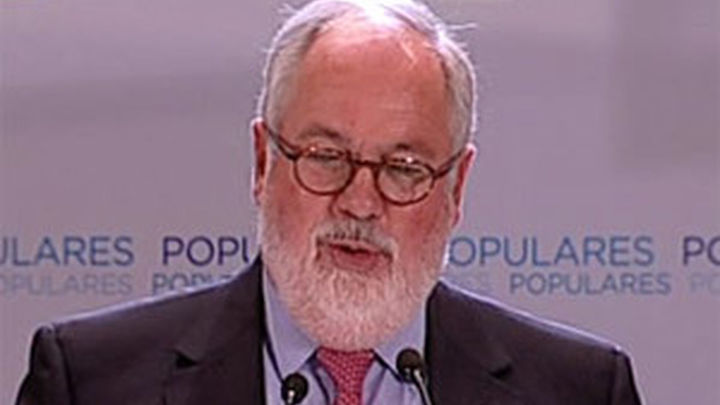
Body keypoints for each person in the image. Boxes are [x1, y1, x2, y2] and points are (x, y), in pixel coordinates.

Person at [16, 1, 643, 404]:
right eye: (325, 156)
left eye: (404, 168)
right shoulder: (90, 382)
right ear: (263, 161)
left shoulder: (580, 390)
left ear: (456, 188)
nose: (360, 202)